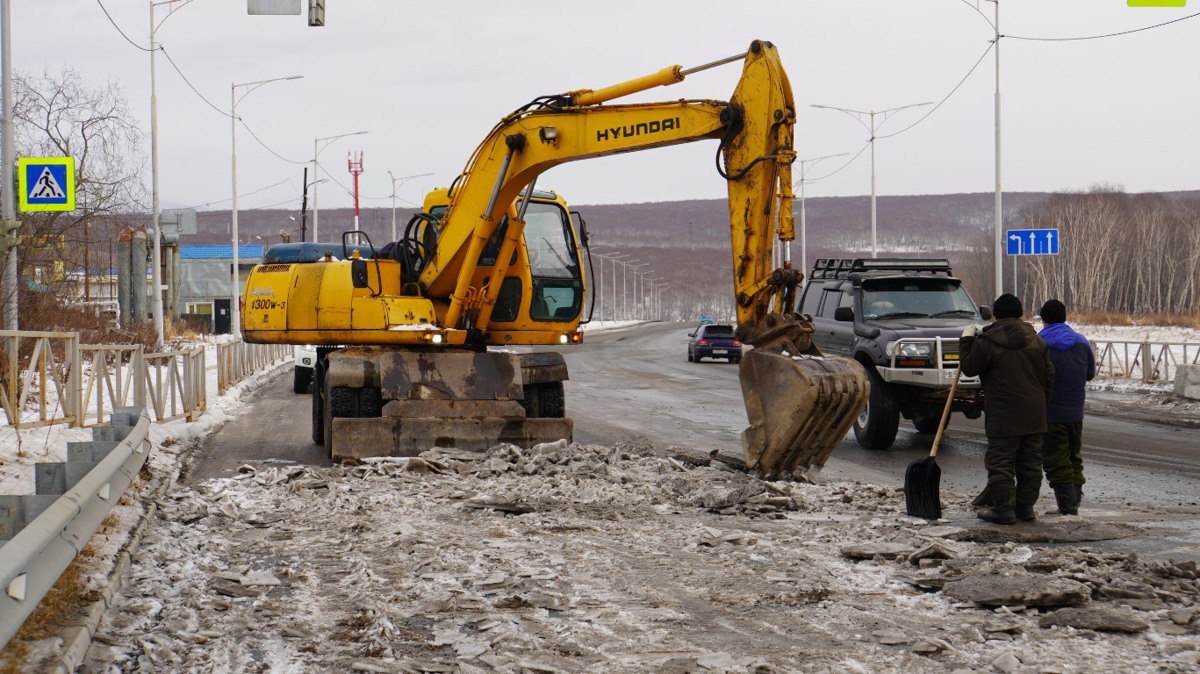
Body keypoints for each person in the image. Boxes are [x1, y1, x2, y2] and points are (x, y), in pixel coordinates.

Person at [959, 293, 1054, 525]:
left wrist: (966, 342)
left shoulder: (988, 342)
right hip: (1034, 411)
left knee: (1000, 460)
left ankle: (1003, 509)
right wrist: (1042, 405)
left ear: (996, 315)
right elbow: (1049, 377)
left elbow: (969, 367)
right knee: (1030, 461)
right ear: (1020, 314)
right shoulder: (1037, 341)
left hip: (1003, 412)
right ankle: (1025, 508)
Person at [1038, 299, 1096, 516]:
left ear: (1044, 319)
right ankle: (1074, 502)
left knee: (1055, 459)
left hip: (1050, 413)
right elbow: (1090, 374)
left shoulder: (1039, 342)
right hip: (1075, 412)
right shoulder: (1081, 341)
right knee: (1074, 456)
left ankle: (1067, 506)